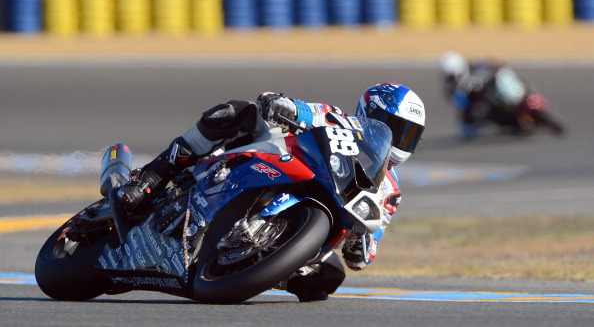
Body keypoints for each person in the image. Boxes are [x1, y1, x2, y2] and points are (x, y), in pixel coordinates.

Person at [114, 83, 426, 301]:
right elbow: (305, 112)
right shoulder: (338, 118)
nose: (399, 138)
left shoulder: (391, 189)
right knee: (236, 112)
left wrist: (362, 248)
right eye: (394, 126)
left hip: (321, 217)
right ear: (371, 114)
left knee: (326, 281)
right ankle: (152, 176)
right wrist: (283, 105)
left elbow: (371, 243)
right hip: (286, 168)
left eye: (410, 133)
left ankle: (251, 264)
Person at [439, 51, 533, 139]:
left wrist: (499, 63)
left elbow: (490, 61)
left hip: (490, 90)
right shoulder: (450, 86)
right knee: (467, 131)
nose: (453, 76)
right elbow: (457, 103)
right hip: (476, 103)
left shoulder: (475, 64)